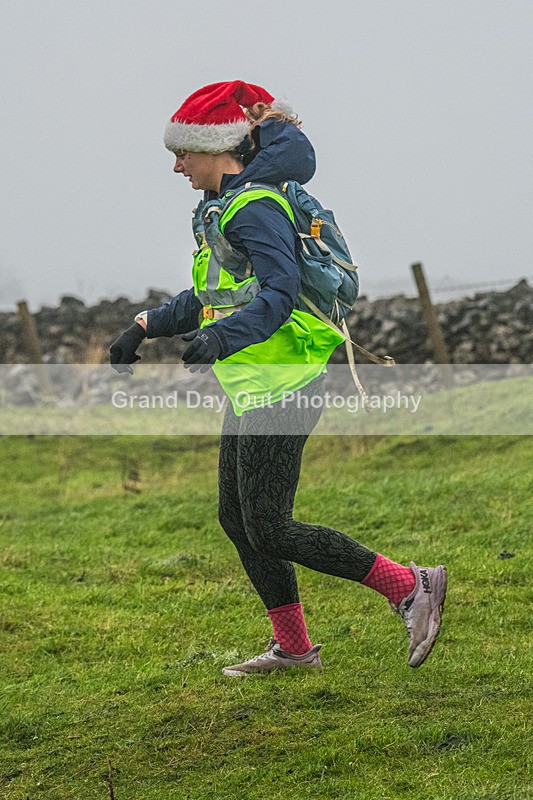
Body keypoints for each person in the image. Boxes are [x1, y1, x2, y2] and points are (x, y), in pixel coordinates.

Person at [109, 81, 447, 676]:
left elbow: (280, 291)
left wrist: (224, 338)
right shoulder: (221, 208)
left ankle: (408, 586)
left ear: (216, 148)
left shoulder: (255, 207)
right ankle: (293, 649)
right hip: (253, 383)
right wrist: (145, 325)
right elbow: (214, 294)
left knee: (268, 525)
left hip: (286, 381)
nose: (176, 166)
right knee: (237, 519)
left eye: (182, 152)